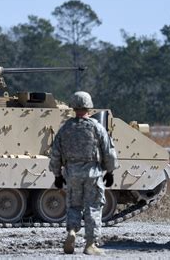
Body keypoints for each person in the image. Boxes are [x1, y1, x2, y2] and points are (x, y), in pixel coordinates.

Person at [49, 91, 118, 255]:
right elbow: (108, 151)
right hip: (93, 173)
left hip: (72, 173)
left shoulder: (65, 128)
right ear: (89, 106)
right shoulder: (96, 127)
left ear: (73, 107)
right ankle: (90, 244)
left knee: (74, 205)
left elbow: (55, 153)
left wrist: (57, 175)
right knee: (93, 207)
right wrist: (110, 171)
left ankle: (72, 232)